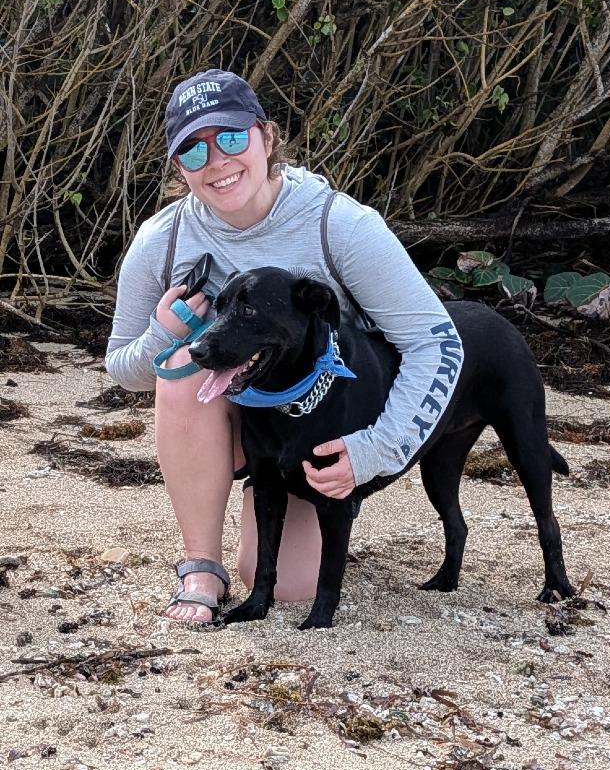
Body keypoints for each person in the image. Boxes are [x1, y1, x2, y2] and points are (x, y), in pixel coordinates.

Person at [105, 69, 464, 625]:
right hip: (230, 424)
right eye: (194, 151)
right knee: (179, 367)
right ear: (179, 168)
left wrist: (375, 450)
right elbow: (123, 368)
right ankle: (200, 564)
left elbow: (435, 344)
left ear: (266, 138)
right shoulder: (163, 238)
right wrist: (167, 331)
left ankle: (272, 507)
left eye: (229, 138)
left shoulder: (338, 226)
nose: (217, 162)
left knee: (289, 586)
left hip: (317, 423)